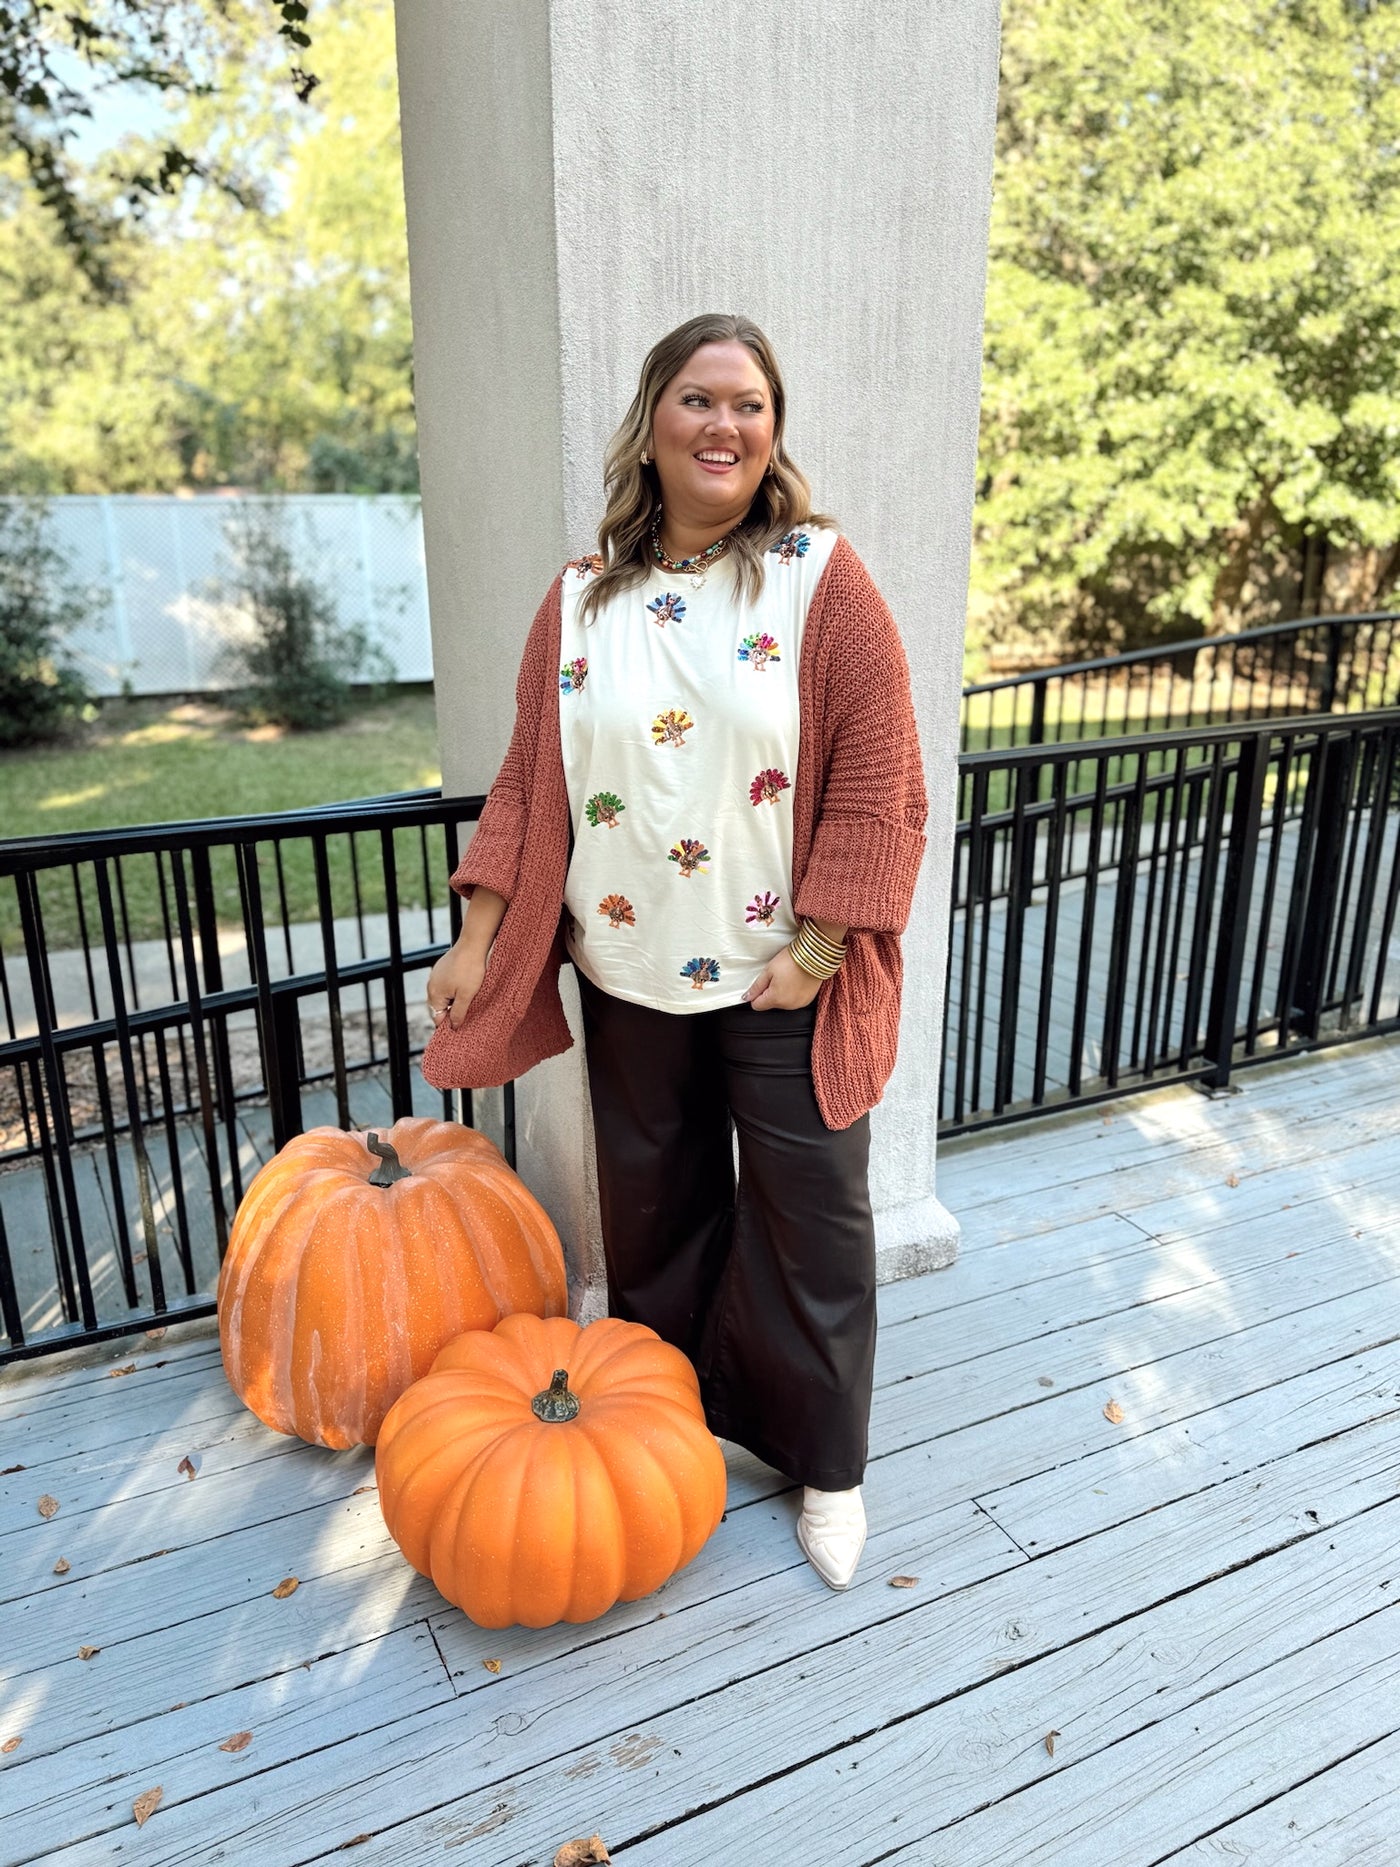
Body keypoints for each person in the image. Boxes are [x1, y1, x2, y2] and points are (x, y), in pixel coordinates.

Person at [423, 311, 927, 1590]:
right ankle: (671, 1431)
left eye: (750, 404)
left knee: (812, 1219)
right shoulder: (579, 600)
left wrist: (817, 947)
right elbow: (529, 785)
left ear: (772, 433)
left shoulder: (818, 575)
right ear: (651, 424)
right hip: (626, 971)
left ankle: (826, 1466)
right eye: (699, 400)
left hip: (781, 975)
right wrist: (481, 935)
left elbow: (881, 777)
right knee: (655, 1221)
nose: (725, 425)